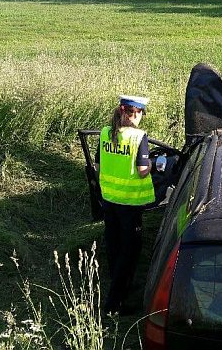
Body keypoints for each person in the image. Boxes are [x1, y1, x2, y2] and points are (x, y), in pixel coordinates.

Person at [94, 95, 154, 314]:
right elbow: (142, 170)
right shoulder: (139, 137)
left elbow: (98, 166)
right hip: (130, 203)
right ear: (134, 113)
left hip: (109, 200)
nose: (139, 118)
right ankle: (114, 304)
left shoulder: (104, 133)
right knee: (129, 251)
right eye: (139, 113)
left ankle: (121, 285)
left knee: (114, 245)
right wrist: (153, 165)